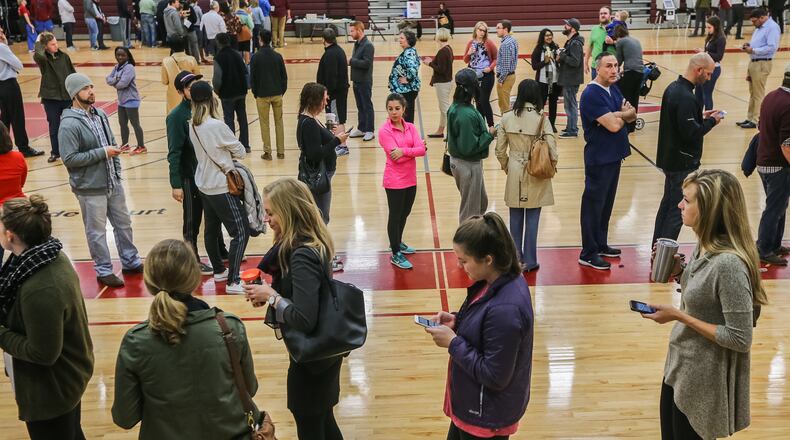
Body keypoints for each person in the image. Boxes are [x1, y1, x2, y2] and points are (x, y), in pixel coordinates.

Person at [641, 169, 766, 440]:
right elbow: (707, 298)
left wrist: (679, 315)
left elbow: (740, 337)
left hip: (703, 379)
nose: (679, 205)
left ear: (709, 208)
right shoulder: (704, 245)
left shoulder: (729, 264)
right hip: (680, 366)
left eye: (687, 200)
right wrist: (679, 272)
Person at [112, 239, 257, 438]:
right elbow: (250, 388)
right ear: (195, 277)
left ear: (149, 282)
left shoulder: (135, 342)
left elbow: (125, 418)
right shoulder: (229, 328)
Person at [243, 177, 344, 440]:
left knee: (312, 423)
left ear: (288, 212)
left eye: (270, 212)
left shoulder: (300, 254)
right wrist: (269, 295)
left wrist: (273, 296)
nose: (267, 219)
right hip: (324, 353)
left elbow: (304, 318)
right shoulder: (308, 242)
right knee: (324, 421)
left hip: (311, 360)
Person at [425, 211, 534, 440]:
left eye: (464, 260)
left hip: (486, 415)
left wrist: (453, 343)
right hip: (474, 407)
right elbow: (486, 328)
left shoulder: (506, 309)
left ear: (488, 259)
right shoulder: (495, 281)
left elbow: (495, 375)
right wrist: (458, 321)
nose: (459, 265)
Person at [0, 195, 94, 440]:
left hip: (51, 391)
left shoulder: (40, 288)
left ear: (11, 236)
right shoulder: (44, 255)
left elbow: (43, 353)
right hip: (64, 381)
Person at [59, 73, 144, 287]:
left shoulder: (100, 115)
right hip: (89, 187)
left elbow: (112, 143)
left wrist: (116, 171)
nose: (91, 91)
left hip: (112, 182)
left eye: (91, 86)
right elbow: (69, 159)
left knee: (124, 224)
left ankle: (130, 261)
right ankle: (104, 270)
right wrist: (103, 153)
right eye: (85, 88)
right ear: (74, 94)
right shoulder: (68, 124)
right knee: (97, 232)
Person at [653, 53, 722, 246]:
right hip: (682, 162)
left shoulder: (673, 89)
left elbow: (681, 120)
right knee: (677, 212)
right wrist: (712, 121)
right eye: (708, 74)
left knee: (667, 206)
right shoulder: (686, 97)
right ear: (698, 70)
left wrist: (699, 116)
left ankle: (656, 250)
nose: (708, 78)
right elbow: (692, 133)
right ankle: (664, 255)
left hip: (669, 158)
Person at [188, 80, 248, 294]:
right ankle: (233, 281)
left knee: (211, 231)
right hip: (221, 186)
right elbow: (241, 151)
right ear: (212, 99)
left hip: (203, 184)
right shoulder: (216, 125)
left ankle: (219, 270)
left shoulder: (192, 124)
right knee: (240, 231)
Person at [578, 53, 636, 270]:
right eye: (608, 66)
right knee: (593, 207)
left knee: (606, 206)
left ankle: (601, 244)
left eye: (615, 66)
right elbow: (614, 125)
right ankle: (588, 252)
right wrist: (622, 114)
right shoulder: (591, 94)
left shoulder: (613, 88)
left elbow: (632, 114)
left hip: (614, 156)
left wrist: (619, 114)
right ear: (597, 68)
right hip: (599, 159)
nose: (614, 70)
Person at [166, 70, 227, 275]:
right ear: (181, 92)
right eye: (189, 87)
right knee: (192, 219)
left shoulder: (204, 110)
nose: (193, 89)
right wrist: (175, 184)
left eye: (195, 85)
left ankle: (221, 251)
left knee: (214, 215)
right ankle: (192, 259)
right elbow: (174, 152)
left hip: (208, 175)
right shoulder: (176, 117)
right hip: (189, 177)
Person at [496, 79, 558, 272]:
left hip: (515, 167)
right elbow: (552, 150)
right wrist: (551, 166)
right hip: (536, 169)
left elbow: (499, 150)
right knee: (533, 215)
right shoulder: (542, 119)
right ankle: (530, 260)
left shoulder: (506, 118)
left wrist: (507, 167)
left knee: (515, 215)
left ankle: (515, 258)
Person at [296, 83, 349, 272]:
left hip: (323, 175)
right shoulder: (309, 123)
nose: (327, 100)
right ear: (315, 99)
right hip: (318, 179)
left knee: (319, 217)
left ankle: (320, 255)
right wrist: (337, 141)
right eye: (324, 97)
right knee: (320, 219)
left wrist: (330, 133)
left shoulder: (311, 119)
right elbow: (314, 154)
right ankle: (323, 258)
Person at [379, 93, 426, 270]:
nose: (394, 112)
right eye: (390, 109)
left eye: (397, 108)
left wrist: (404, 151)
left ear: (404, 109)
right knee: (395, 216)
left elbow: (422, 150)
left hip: (410, 179)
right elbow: (395, 157)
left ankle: (397, 241)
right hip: (394, 181)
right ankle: (395, 253)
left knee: (405, 213)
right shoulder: (385, 131)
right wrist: (412, 150)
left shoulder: (411, 127)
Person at [447, 68, 496, 222]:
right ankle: (467, 243)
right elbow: (469, 147)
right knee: (470, 211)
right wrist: (490, 134)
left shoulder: (459, 106)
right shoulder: (466, 114)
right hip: (467, 164)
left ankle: (471, 238)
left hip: (463, 163)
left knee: (480, 203)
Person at [754, 63, 790, 265]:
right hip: (778, 165)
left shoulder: (771, 96)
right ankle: (764, 248)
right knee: (774, 208)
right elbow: (787, 144)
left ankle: (775, 243)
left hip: (763, 161)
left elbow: (761, 125)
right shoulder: (789, 104)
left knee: (780, 205)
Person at [33, 32, 75, 163]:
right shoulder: (43, 59)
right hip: (51, 98)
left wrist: (77, 91)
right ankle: (55, 152)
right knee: (54, 126)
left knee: (71, 125)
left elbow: (73, 73)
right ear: (45, 46)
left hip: (67, 96)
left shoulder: (64, 57)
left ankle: (73, 150)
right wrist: (39, 41)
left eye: (56, 43)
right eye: (52, 44)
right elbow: (38, 54)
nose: (56, 46)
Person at [0, 28, 42, 157]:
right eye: (0, 32)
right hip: (8, 85)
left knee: (4, 118)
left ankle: (2, 147)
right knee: (17, 117)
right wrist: (6, 46)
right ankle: (23, 148)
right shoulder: (2, 47)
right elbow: (19, 65)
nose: (3, 34)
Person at [736, 8, 780, 129]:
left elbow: (772, 47)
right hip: (754, 62)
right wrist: (749, 45)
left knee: (758, 93)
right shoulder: (760, 27)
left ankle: (756, 120)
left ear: (762, 17)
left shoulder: (772, 27)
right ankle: (750, 118)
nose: (753, 23)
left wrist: (754, 50)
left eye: (754, 21)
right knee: (752, 92)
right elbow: (757, 43)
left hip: (762, 63)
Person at [252, 29, 287, 160]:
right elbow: (284, 77)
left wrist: (256, 93)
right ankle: (281, 151)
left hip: (262, 94)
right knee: (279, 122)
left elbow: (253, 78)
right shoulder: (277, 56)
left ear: (260, 39)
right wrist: (282, 90)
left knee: (264, 123)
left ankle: (268, 152)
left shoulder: (256, 56)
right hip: (277, 93)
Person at [213, 32, 250, 153]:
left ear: (218, 43)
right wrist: (246, 88)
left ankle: (233, 146)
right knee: (242, 117)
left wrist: (216, 90)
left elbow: (217, 78)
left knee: (229, 119)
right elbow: (246, 72)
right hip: (240, 91)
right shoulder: (237, 55)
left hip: (227, 93)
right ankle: (245, 145)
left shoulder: (219, 57)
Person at [106, 46, 146, 155]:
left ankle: (141, 146)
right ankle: (125, 144)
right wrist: (116, 80)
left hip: (131, 100)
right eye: (118, 55)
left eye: (123, 55)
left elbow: (123, 84)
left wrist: (115, 82)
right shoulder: (117, 67)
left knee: (135, 124)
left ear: (127, 56)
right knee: (122, 123)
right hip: (121, 101)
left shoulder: (129, 68)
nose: (120, 57)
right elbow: (108, 79)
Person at [316, 27, 350, 155]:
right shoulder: (337, 51)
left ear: (323, 40)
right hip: (337, 93)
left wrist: (327, 93)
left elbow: (331, 76)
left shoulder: (330, 54)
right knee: (334, 119)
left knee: (337, 119)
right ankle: (337, 144)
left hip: (335, 94)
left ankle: (343, 146)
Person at [0, 121, 26, 262]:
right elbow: (21, 183)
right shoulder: (18, 157)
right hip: (19, 211)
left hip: (4, 214)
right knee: (24, 254)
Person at [463, 21, 497, 127]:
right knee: (478, 101)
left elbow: (496, 58)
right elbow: (465, 60)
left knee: (484, 100)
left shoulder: (489, 43)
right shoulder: (470, 43)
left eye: (484, 30)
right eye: (480, 30)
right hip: (474, 75)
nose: (482, 32)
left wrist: (490, 68)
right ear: (476, 30)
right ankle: (481, 125)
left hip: (487, 74)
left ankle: (491, 125)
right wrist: (469, 53)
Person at [423, 27, 453, 138]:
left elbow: (441, 69)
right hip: (447, 82)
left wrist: (429, 63)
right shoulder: (448, 49)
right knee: (443, 108)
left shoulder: (442, 51)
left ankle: (452, 133)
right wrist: (433, 61)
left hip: (443, 83)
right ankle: (440, 131)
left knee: (445, 109)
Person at [557, 18, 584, 139]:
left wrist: (562, 55)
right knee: (568, 105)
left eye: (566, 25)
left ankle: (573, 130)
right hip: (569, 78)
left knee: (571, 105)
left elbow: (575, 61)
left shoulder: (575, 43)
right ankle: (570, 127)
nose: (564, 26)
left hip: (571, 79)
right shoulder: (571, 42)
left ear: (573, 29)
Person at [348, 21, 375, 142]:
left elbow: (366, 63)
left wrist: (351, 61)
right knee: (360, 106)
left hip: (364, 80)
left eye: (352, 31)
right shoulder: (357, 44)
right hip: (356, 80)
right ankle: (362, 128)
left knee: (367, 105)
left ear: (359, 30)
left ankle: (370, 130)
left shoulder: (368, 45)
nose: (351, 33)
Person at [531, 28, 561, 133]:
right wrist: (545, 62)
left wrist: (558, 60)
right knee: (540, 103)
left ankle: (552, 124)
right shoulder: (538, 49)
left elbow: (558, 63)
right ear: (542, 37)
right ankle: (539, 125)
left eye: (550, 35)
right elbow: (534, 66)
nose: (549, 37)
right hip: (543, 81)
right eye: (546, 35)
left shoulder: (555, 46)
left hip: (554, 81)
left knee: (553, 103)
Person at [613, 25, 643, 132]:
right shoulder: (635, 40)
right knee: (634, 98)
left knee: (626, 99)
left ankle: (625, 124)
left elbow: (618, 61)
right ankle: (632, 125)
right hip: (640, 72)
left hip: (630, 73)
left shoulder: (621, 42)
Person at [161, 35, 200, 114]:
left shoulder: (166, 61)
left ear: (171, 47)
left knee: (174, 118)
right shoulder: (191, 59)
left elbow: (164, 81)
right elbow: (197, 77)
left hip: (173, 96)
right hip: (189, 94)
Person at [388, 30, 421, 124]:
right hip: (405, 90)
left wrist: (408, 79)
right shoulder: (408, 51)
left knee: (407, 118)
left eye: (402, 38)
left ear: (408, 40)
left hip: (407, 90)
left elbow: (413, 69)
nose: (400, 40)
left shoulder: (409, 53)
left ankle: (408, 136)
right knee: (406, 117)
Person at [694, 16, 726, 111]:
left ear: (715, 27)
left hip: (713, 69)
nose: (707, 30)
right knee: (698, 93)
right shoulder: (710, 37)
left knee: (706, 94)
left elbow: (719, 56)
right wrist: (702, 51)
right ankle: (698, 115)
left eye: (709, 27)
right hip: (704, 68)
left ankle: (708, 117)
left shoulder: (721, 38)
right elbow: (709, 52)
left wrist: (704, 52)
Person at [495, 19, 518, 115]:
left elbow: (506, 65)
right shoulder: (512, 40)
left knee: (504, 106)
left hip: (505, 78)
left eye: (498, 28)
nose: (496, 30)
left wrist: (501, 79)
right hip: (509, 76)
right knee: (505, 103)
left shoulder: (505, 44)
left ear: (505, 29)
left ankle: (506, 127)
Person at [585, 6, 614, 79]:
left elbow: (623, 44)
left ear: (610, 15)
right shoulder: (594, 29)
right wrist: (585, 63)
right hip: (596, 67)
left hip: (612, 68)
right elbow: (590, 47)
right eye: (601, 14)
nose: (602, 15)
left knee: (611, 90)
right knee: (596, 89)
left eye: (605, 13)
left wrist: (613, 42)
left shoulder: (617, 28)